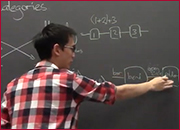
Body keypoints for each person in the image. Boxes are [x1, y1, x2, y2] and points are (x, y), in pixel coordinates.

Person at [1, 23, 174, 129]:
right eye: (72, 48)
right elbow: (114, 93)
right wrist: (150, 85)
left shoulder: (12, 86)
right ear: (57, 49)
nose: (74, 55)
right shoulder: (67, 80)